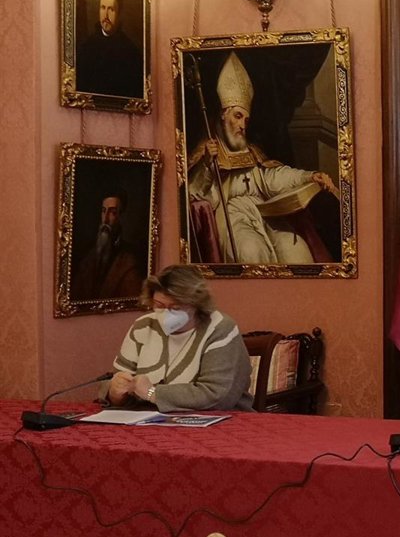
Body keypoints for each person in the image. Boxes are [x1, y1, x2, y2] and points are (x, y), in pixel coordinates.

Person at [187, 51, 337, 264]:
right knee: (250, 251)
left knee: (295, 249)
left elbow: (274, 178)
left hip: (265, 215)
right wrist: (207, 166)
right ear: (222, 115)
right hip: (233, 218)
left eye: (246, 120)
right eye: (238, 116)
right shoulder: (207, 151)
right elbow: (195, 194)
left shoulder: (251, 151)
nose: (242, 125)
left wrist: (310, 177)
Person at [97, 265, 253, 412]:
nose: (166, 314)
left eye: (176, 308)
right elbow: (114, 382)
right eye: (159, 305)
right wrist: (115, 393)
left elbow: (216, 395)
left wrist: (152, 392)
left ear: (196, 305)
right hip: (148, 421)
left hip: (221, 422)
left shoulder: (219, 328)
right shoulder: (143, 326)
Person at [72, 189, 143, 301]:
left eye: (112, 212)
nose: (105, 220)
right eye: (103, 211)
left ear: (121, 217)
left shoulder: (129, 261)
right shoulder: (88, 258)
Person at [75, 0, 143, 101]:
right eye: (103, 7)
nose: (106, 15)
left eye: (111, 9)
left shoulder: (131, 52)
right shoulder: (85, 48)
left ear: (119, 13)